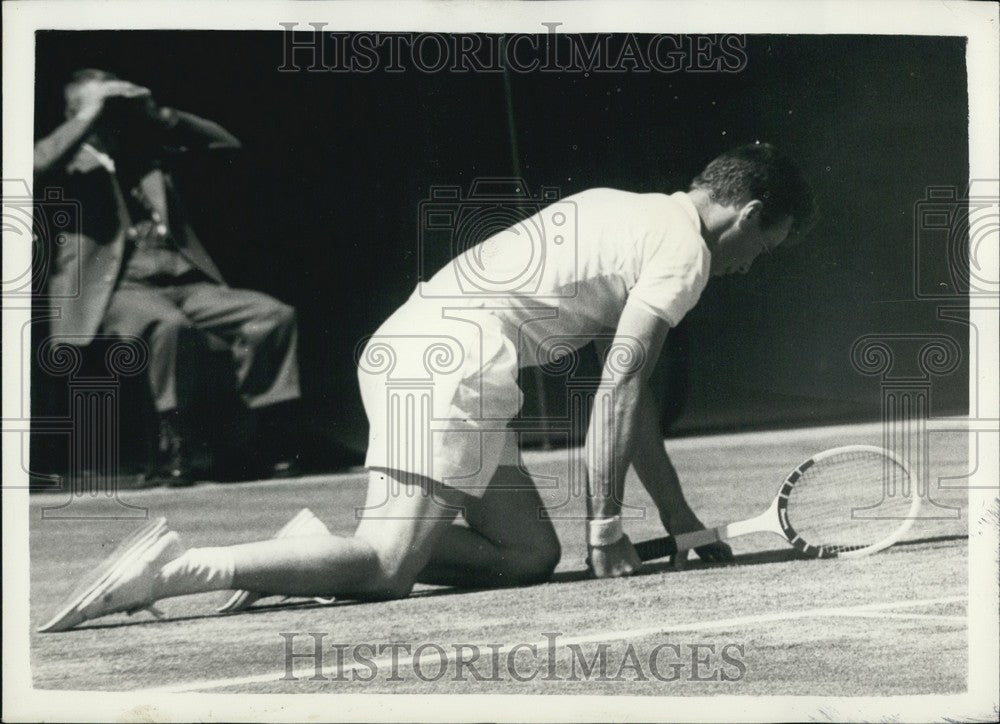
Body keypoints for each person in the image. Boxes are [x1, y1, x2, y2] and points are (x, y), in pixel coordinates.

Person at [39, 142, 816, 632]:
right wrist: (607, 527)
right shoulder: (684, 256)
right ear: (747, 214)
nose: (754, 264)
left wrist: (680, 523)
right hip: (450, 364)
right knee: (383, 569)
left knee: (524, 554)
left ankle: (312, 552)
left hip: (434, 350)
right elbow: (614, 394)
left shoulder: (629, 210)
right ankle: (178, 571)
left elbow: (632, 396)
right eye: (768, 247)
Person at [34, 70, 301, 485]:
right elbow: (34, 165)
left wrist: (160, 113)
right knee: (170, 327)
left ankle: (248, 439)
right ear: (75, 112)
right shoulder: (68, 165)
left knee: (272, 316)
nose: (111, 115)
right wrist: (88, 117)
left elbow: (227, 146)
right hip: (117, 290)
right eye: (101, 106)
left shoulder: (146, 155)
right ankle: (174, 444)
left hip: (186, 282)